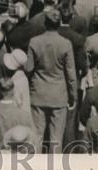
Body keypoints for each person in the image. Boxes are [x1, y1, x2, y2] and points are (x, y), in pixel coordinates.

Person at [26, 8, 76, 152]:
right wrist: (73, 97)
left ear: (44, 23)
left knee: (37, 137)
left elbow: (29, 68)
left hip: (38, 93)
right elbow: (71, 74)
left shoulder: (34, 42)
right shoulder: (66, 44)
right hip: (59, 95)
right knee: (56, 140)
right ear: (59, 23)